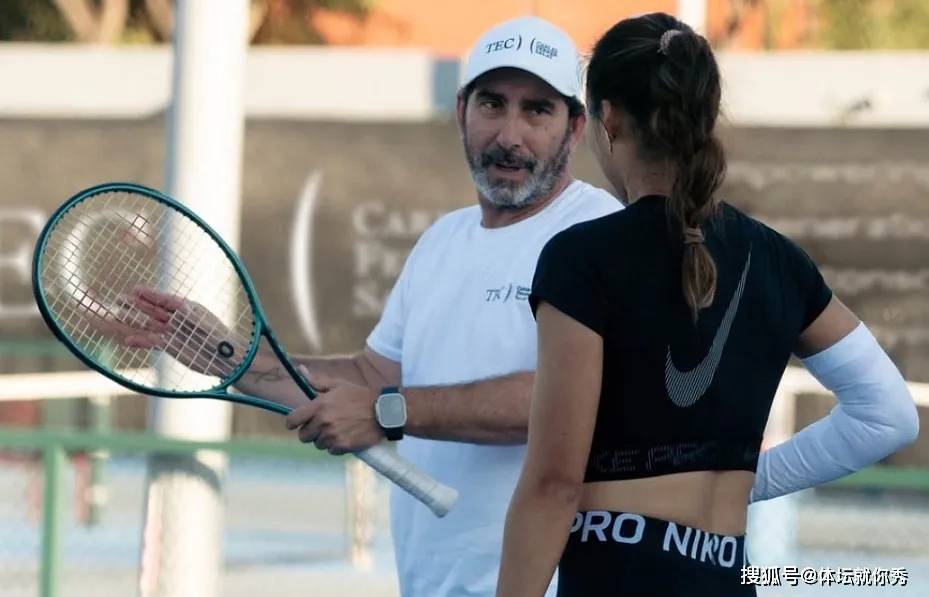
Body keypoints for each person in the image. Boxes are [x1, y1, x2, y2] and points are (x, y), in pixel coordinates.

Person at [119, 15, 619, 597]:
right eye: (492, 104)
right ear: (462, 111)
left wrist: (387, 413)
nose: (510, 134)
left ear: (575, 127)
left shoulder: (601, 233)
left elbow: (568, 400)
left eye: (536, 110)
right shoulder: (441, 243)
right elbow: (369, 376)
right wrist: (228, 355)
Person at [494, 12, 920, 597]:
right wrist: (748, 481)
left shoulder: (582, 258)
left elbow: (553, 485)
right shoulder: (778, 260)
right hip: (725, 572)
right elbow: (888, 415)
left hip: (621, 575)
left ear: (608, 119)